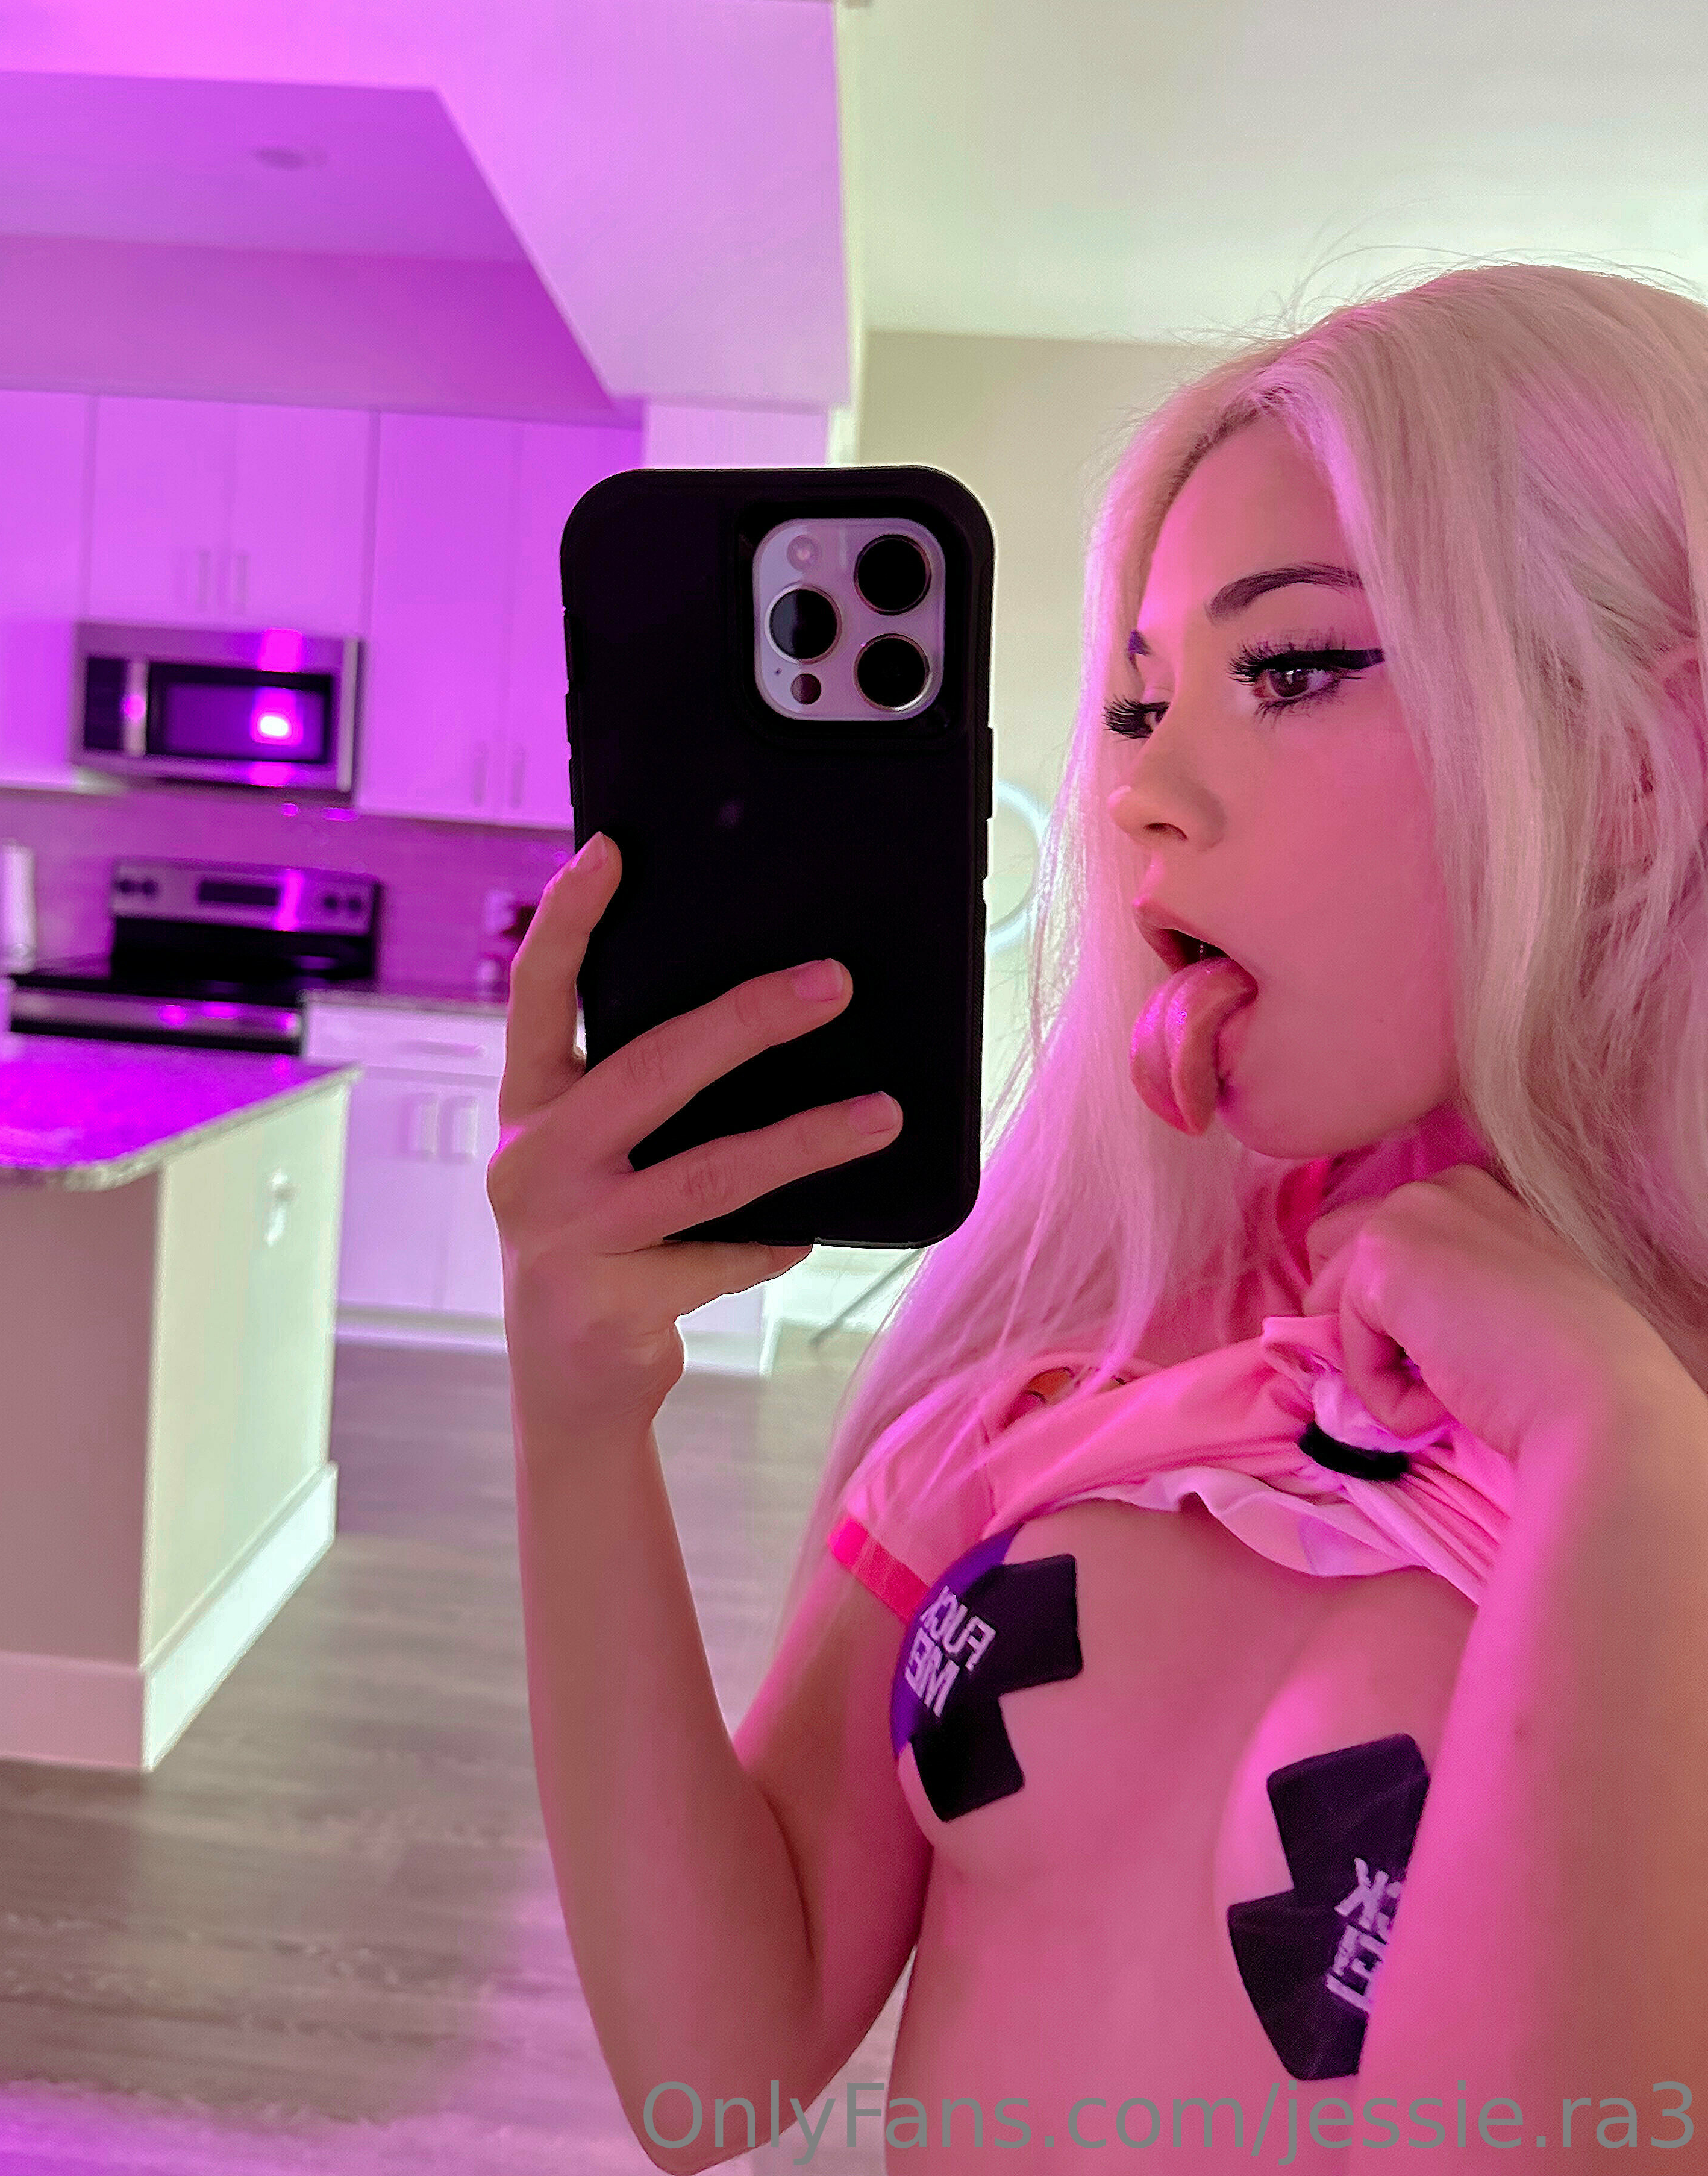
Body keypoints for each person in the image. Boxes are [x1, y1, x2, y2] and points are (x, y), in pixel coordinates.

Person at [489, 263, 1708, 2172]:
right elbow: (709, 2067)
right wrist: (579, 1421)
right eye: (1138, 701)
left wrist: (1615, 1447)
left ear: (1634, 770)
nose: (1140, 792)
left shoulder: (1657, 1461)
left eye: (1290, 669)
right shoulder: (1050, 1392)